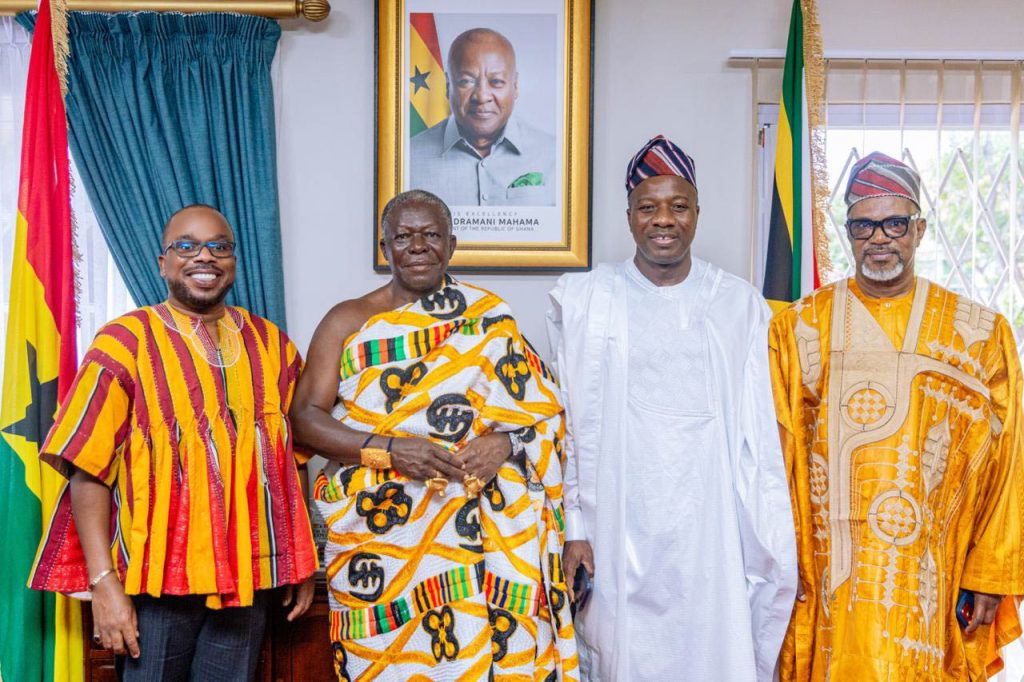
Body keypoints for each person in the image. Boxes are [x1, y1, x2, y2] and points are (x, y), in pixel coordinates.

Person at [290, 189, 577, 680]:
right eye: (403, 236)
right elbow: (304, 418)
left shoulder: (491, 318)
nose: (418, 246)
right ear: (384, 247)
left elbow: (547, 412)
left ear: (452, 245)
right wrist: (391, 452)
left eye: (431, 235)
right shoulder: (348, 320)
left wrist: (506, 443)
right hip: (381, 535)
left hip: (480, 534)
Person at [29, 205, 318, 681]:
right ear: (163, 263)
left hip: (248, 576)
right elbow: (87, 469)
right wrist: (103, 584)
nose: (204, 257)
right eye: (186, 246)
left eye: (219, 247)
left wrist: (296, 561)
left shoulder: (273, 346)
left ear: (234, 261)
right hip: (156, 582)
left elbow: (292, 462)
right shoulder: (123, 342)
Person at [546, 135, 797, 681]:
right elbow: (564, 427)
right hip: (615, 526)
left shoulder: (739, 305)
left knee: (713, 653)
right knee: (621, 657)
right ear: (629, 216)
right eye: (648, 207)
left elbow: (759, 439)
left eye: (678, 206)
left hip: (712, 531)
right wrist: (573, 526)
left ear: (697, 213)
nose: (664, 220)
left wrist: (764, 539)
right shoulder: (585, 300)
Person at [769, 152, 1024, 680]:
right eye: (863, 225)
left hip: (932, 578)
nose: (879, 238)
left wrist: (989, 574)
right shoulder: (798, 330)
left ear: (919, 229)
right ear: (848, 233)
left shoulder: (980, 335)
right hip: (827, 578)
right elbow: (774, 460)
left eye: (894, 224)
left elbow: (1009, 464)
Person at [410, 28, 556, 207]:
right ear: (448, 85)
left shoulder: (554, 154)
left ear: (515, 85)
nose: (481, 96)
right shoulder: (408, 159)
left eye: (496, 82)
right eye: (466, 81)